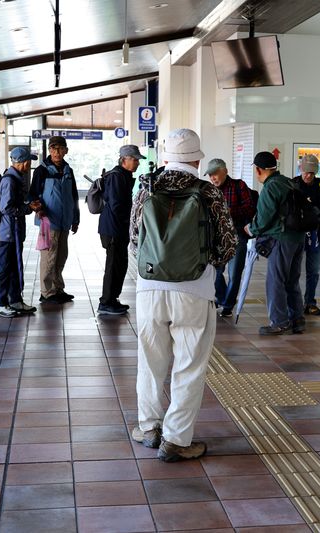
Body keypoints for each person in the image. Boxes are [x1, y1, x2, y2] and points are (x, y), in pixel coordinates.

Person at [129, 128, 236, 462]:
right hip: (195, 290)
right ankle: (175, 439)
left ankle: (149, 428)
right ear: (197, 160)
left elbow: (134, 238)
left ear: (165, 158)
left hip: (149, 288)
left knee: (150, 362)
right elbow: (228, 245)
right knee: (189, 366)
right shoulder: (208, 192)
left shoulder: (146, 188)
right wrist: (202, 262)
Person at [245, 151, 305, 335]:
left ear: (258, 170)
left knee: (275, 281)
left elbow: (263, 219)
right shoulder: (288, 182)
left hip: (281, 239)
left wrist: (251, 229)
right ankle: (297, 319)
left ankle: (279, 322)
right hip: (298, 237)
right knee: (292, 280)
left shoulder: (270, 187)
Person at [29, 135, 80, 304]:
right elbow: (32, 195)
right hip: (48, 222)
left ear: (66, 150)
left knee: (61, 257)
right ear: (49, 150)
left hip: (65, 221)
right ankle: (47, 292)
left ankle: (58, 289)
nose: (57, 152)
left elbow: (74, 196)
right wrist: (39, 209)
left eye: (60, 149)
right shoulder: (42, 170)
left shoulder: (68, 170)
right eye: (53, 149)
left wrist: (75, 219)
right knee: (49, 258)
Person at [97, 145, 146, 316]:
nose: (137, 163)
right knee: (113, 266)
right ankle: (106, 302)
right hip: (113, 229)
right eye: (135, 160)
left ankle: (112, 299)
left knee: (120, 264)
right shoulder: (117, 177)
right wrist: (131, 217)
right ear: (124, 160)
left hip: (117, 227)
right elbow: (117, 205)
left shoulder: (123, 175)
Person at [0, 147, 41, 318]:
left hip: (14, 231)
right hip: (8, 232)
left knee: (14, 267)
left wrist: (28, 205)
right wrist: (28, 208)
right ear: (23, 162)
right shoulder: (10, 180)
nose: (29, 164)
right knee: (4, 268)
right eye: (28, 161)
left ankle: (15, 300)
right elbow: (6, 208)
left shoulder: (16, 178)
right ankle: (0, 304)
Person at [206, 158, 256, 317]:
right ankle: (222, 298)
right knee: (215, 271)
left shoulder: (239, 186)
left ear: (225, 171)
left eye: (215, 174)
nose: (213, 178)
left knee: (235, 274)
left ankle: (227, 305)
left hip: (237, 235)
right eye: (210, 175)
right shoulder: (209, 190)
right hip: (216, 237)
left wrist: (228, 212)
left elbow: (250, 208)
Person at [292, 154, 320, 316]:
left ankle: (310, 302)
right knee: (293, 271)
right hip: (296, 234)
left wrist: (317, 211)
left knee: (313, 270)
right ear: (300, 169)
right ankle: (294, 303)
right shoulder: (293, 184)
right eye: (306, 172)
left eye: (311, 173)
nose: (308, 176)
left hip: (315, 233)